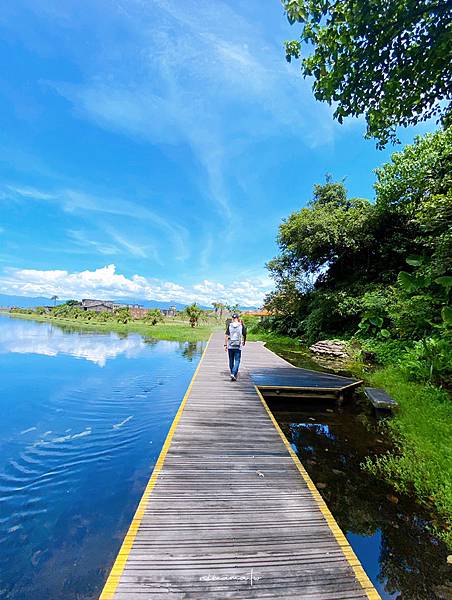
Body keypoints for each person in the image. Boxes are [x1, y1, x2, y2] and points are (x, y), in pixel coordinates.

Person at [224, 313, 247, 381]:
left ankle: (233, 373)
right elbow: (244, 334)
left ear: (232, 318)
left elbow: (226, 336)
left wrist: (225, 345)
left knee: (231, 360)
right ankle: (233, 374)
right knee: (237, 360)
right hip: (238, 346)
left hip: (230, 346)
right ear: (238, 318)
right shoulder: (241, 325)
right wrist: (244, 341)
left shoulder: (230, 325)